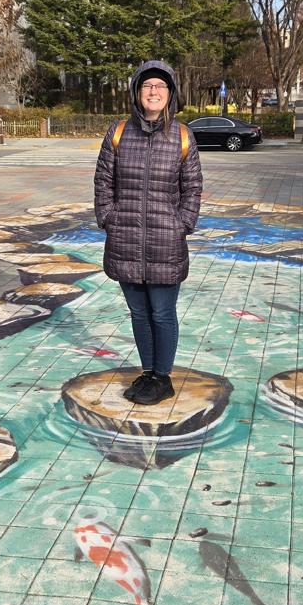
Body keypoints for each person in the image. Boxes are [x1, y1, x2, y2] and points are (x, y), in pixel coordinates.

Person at [94, 60, 203, 405]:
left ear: (170, 93)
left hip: (165, 241)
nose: (153, 91)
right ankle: (147, 372)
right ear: (137, 92)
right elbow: (103, 181)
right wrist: (108, 218)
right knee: (139, 314)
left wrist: (182, 223)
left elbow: (193, 187)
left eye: (160, 86)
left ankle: (163, 377)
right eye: (147, 85)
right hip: (124, 239)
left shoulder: (182, 135)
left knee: (162, 312)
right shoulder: (118, 132)